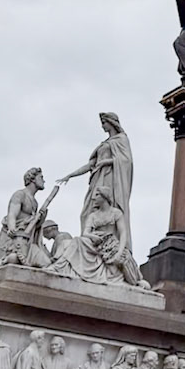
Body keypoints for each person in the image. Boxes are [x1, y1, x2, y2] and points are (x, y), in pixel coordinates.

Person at [58, 113, 140, 287]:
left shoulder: (121, 139)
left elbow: (126, 162)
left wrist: (106, 163)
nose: (102, 126)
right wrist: (70, 175)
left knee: (111, 212)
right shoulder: (104, 143)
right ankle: (88, 250)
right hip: (97, 179)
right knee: (86, 213)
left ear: (111, 123)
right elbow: (90, 164)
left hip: (111, 180)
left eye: (104, 122)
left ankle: (111, 252)